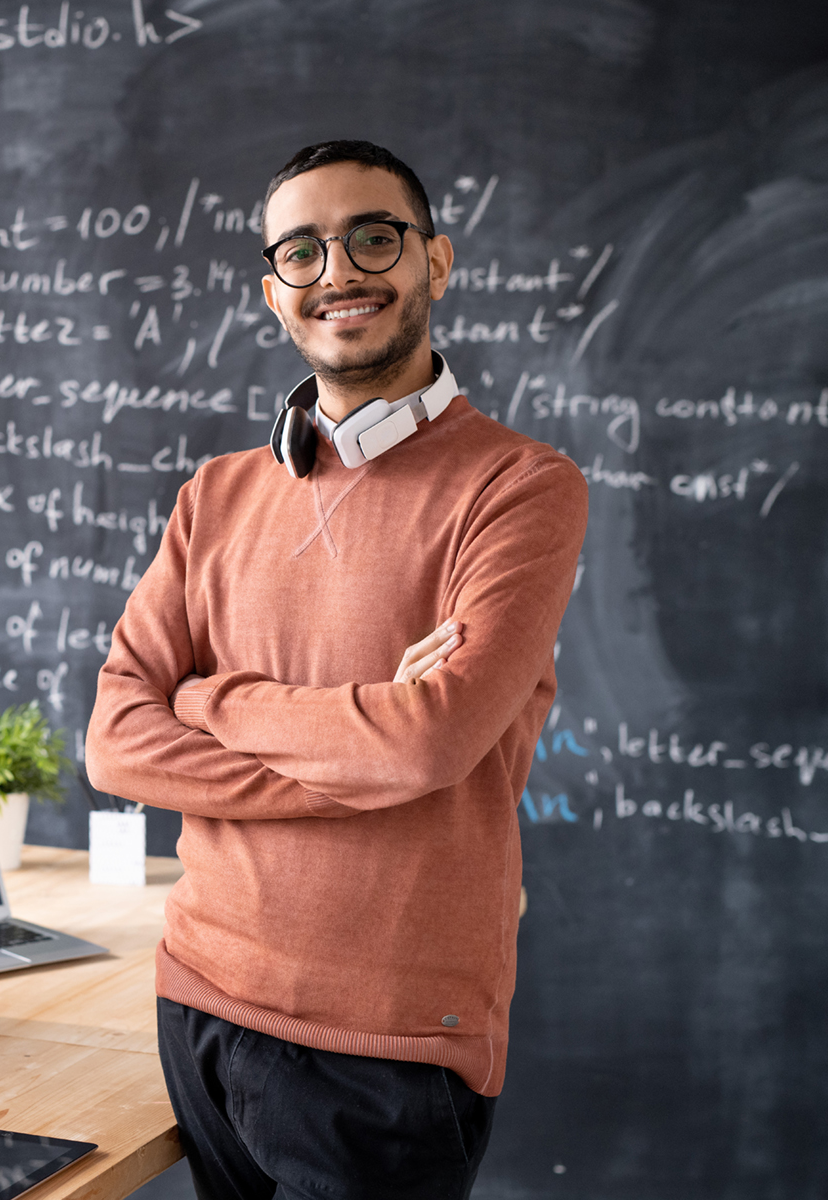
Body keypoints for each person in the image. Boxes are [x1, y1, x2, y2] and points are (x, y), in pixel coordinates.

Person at [84, 140, 589, 1199]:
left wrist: (209, 697)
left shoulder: (520, 487)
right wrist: (368, 756)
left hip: (391, 1045)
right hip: (202, 1000)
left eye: (373, 237)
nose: (339, 272)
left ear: (435, 263)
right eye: (303, 252)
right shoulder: (214, 497)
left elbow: (433, 740)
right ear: (276, 294)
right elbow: (117, 740)